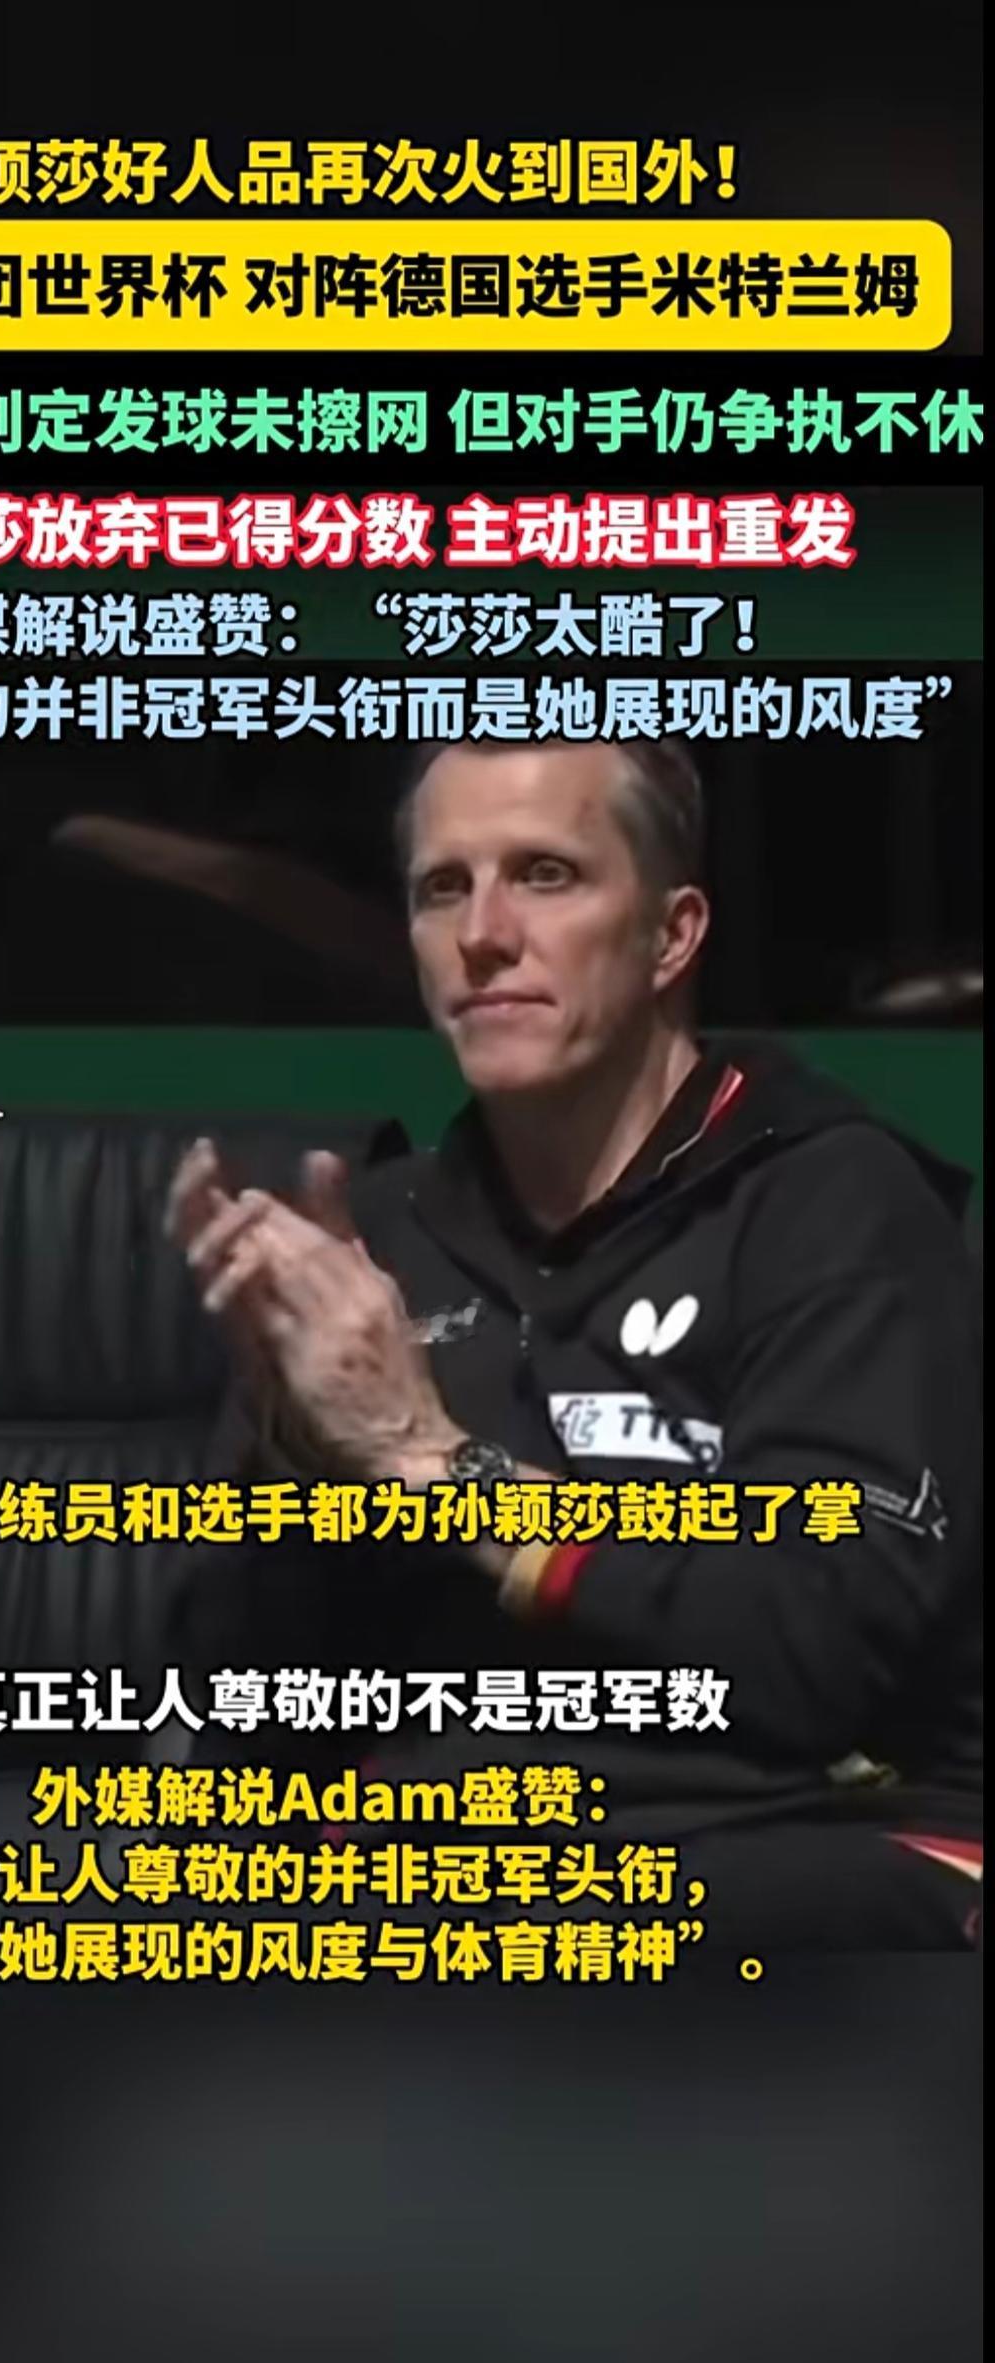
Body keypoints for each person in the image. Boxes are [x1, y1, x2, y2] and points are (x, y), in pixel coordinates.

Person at [165, 740, 982, 1950]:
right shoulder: (373, 1240)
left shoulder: (831, 1205)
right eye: (442, 887)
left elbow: (816, 1654)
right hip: (453, 1858)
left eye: (544, 874)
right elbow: (244, 1715)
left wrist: (435, 1464)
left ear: (670, 934)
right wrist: (294, 1477)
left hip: (791, 1850)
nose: (482, 934)